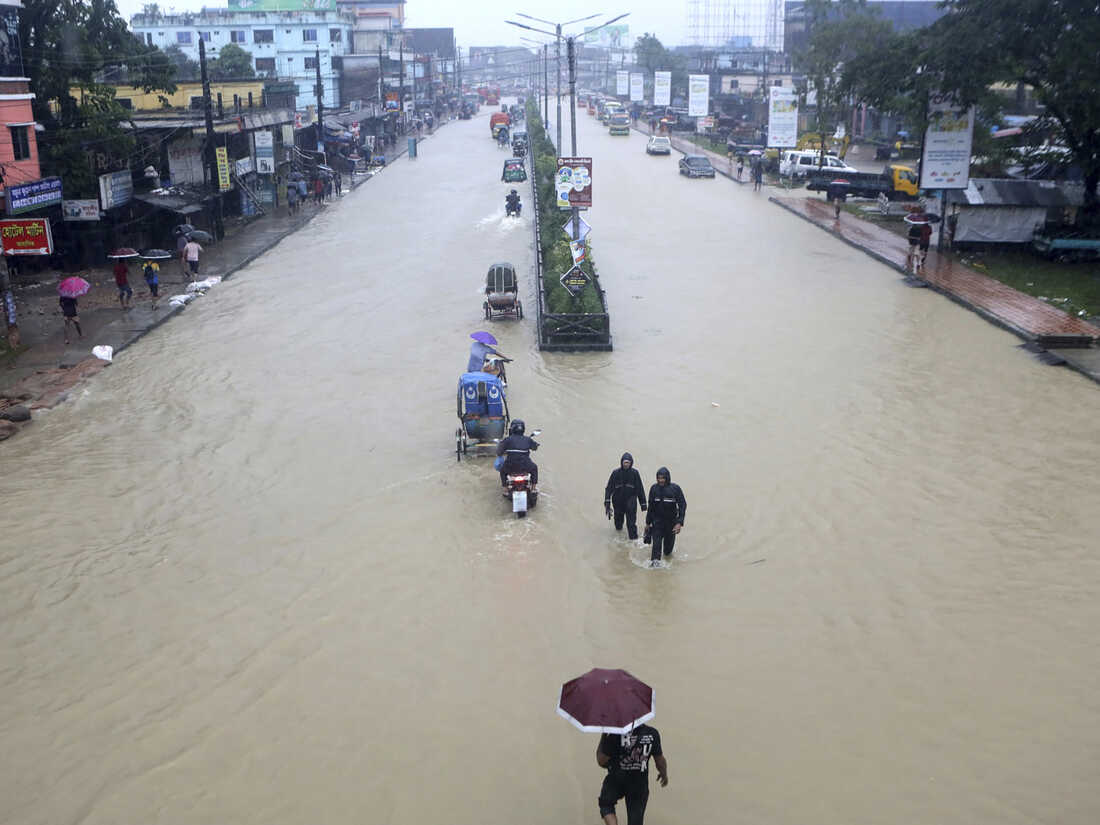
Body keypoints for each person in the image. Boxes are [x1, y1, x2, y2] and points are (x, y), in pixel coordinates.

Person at [596, 725, 668, 825]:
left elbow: (601, 760)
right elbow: (659, 760)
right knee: (636, 821)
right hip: (639, 783)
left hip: (616, 779)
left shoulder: (615, 734)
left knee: (606, 804)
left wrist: (604, 735)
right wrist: (663, 774)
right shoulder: (652, 733)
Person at [644, 467, 687, 566]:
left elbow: (683, 505)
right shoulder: (654, 489)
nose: (661, 480)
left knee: (667, 552)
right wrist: (647, 523)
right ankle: (655, 571)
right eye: (659, 478)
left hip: (671, 524)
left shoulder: (675, 489)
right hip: (657, 523)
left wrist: (679, 523)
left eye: (663, 478)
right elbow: (651, 507)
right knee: (656, 550)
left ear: (667, 478)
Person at [604, 453, 647, 540]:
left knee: (631, 525)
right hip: (618, 503)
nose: (626, 464)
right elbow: (608, 489)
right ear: (621, 462)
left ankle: (634, 540)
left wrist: (643, 504)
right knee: (618, 525)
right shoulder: (615, 473)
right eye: (625, 462)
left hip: (630, 502)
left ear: (631, 463)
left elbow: (640, 489)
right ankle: (619, 540)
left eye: (628, 462)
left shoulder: (635, 473)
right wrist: (607, 503)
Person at [496, 419, 538, 488]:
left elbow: (499, 452)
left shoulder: (507, 440)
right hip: (525, 466)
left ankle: (505, 489)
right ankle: (533, 488)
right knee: (534, 468)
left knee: (502, 471)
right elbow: (534, 448)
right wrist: (535, 445)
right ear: (523, 429)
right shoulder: (528, 439)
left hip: (510, 467)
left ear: (512, 429)